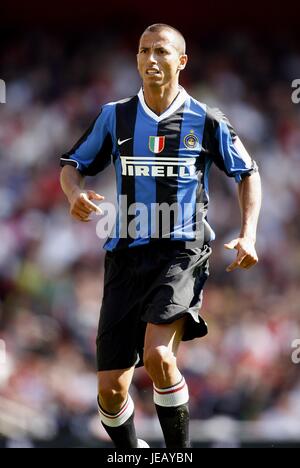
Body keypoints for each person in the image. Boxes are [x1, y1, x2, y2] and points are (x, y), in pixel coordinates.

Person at [60, 23, 261, 448]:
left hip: (181, 254)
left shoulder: (205, 119)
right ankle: (133, 454)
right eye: (144, 51)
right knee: (111, 391)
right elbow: (72, 163)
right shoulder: (114, 116)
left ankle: (178, 456)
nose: (151, 59)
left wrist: (248, 234)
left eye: (162, 52)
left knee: (159, 357)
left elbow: (247, 172)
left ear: (181, 61)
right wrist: (74, 192)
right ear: (135, 59)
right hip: (124, 257)